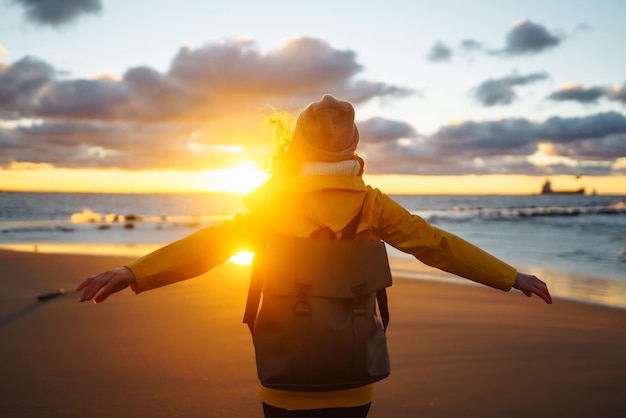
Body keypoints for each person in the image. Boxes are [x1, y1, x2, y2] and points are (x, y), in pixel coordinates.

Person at [77, 94, 552, 418]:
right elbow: (437, 246)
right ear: (353, 145)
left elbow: (212, 245)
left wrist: (134, 271)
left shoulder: (272, 204)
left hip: (284, 374)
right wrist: (511, 277)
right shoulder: (373, 205)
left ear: (298, 144)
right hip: (355, 375)